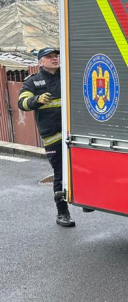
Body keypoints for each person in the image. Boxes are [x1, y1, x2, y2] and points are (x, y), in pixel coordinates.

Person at [18, 47, 74, 227]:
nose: (55, 59)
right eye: (49, 57)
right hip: (53, 137)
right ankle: (62, 213)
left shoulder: (67, 75)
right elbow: (22, 103)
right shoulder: (33, 82)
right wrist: (36, 100)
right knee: (60, 174)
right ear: (40, 62)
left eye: (56, 56)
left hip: (72, 133)